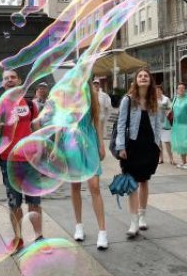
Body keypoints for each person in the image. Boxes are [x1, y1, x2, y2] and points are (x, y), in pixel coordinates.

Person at [0, 68, 44, 252]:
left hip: (30, 159)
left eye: (13, 77)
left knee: (34, 201)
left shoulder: (30, 104)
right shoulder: (0, 105)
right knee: (14, 202)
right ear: (3, 84)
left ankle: (39, 238)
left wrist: (40, 151)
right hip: (8, 160)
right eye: (6, 78)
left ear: (19, 80)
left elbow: (38, 128)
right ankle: (18, 239)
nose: (10, 80)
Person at [115, 68, 161, 238]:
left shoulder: (153, 100)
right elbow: (120, 124)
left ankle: (142, 216)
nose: (143, 78)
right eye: (140, 76)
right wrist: (121, 146)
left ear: (150, 81)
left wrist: (158, 145)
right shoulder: (128, 100)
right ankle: (133, 222)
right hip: (132, 145)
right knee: (132, 183)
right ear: (135, 80)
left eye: (146, 76)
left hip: (149, 145)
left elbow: (157, 124)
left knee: (144, 181)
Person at [70, 82, 109, 249]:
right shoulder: (68, 95)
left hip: (90, 139)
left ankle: (102, 231)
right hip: (71, 141)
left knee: (94, 186)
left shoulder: (91, 95)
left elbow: (97, 123)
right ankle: (79, 225)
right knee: (75, 186)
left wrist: (101, 144)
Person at [156, 86, 175, 165]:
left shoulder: (166, 99)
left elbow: (170, 109)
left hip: (165, 122)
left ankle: (171, 159)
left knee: (167, 141)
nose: (157, 92)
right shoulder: (152, 99)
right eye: (156, 91)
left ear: (161, 91)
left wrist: (163, 107)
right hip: (156, 123)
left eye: (159, 90)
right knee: (158, 142)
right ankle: (161, 158)